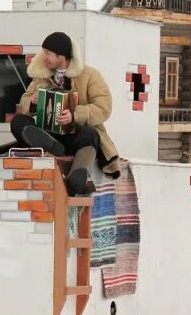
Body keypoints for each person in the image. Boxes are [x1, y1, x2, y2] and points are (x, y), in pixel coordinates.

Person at [11, 31, 120, 195]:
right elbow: (24, 100)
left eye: (47, 53)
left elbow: (104, 107)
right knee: (18, 121)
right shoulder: (42, 77)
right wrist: (32, 102)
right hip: (48, 133)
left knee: (91, 134)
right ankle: (50, 145)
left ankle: (77, 174)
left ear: (61, 55)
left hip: (74, 135)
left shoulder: (90, 75)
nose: (43, 57)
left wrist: (75, 115)